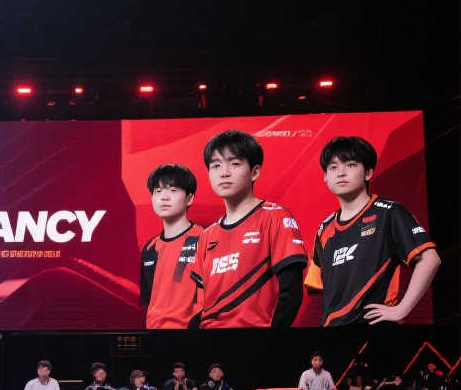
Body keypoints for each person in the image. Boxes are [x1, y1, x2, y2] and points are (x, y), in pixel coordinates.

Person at [304, 136, 440, 326]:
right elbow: (320, 286)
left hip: (374, 329)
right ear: (325, 177)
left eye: (350, 165)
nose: (341, 173)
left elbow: (430, 259)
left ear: (368, 173)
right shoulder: (324, 228)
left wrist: (401, 309)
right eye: (333, 167)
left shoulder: (389, 213)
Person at [190, 130, 307, 328]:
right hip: (208, 339)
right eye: (216, 165)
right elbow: (198, 306)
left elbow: (291, 293)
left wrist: (270, 341)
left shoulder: (275, 217)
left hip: (255, 337)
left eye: (234, 164)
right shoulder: (207, 235)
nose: (224, 172)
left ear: (255, 172)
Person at [140, 164, 203, 329]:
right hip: (153, 335)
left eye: (173, 190)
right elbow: (147, 301)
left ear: (189, 198)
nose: (164, 197)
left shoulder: (203, 239)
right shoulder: (149, 248)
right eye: (158, 191)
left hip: (190, 335)